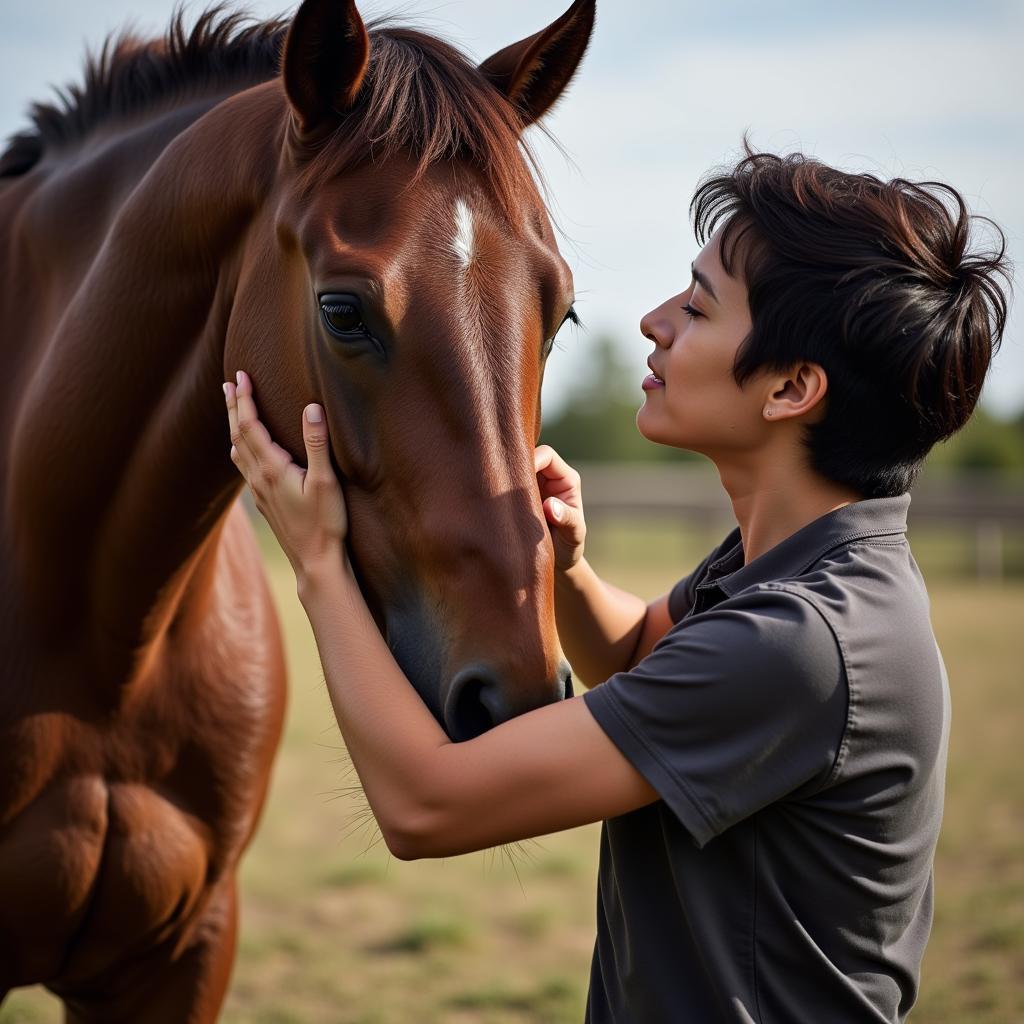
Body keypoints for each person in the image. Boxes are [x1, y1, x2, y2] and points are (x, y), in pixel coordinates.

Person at [222, 145, 1011, 1023]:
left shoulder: (803, 642)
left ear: (792, 387)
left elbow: (424, 806)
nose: (652, 321)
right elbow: (645, 654)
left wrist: (319, 562)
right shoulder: (803, 567)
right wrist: (570, 570)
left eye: (698, 307)